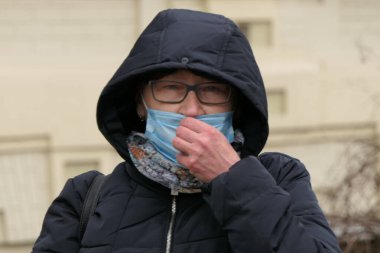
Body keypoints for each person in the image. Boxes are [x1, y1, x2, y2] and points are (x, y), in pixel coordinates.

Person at [32, 9, 342, 253]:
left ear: (236, 104)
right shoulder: (85, 197)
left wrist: (231, 179)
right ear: (141, 104)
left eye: (212, 90)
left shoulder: (280, 179)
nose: (191, 109)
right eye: (170, 88)